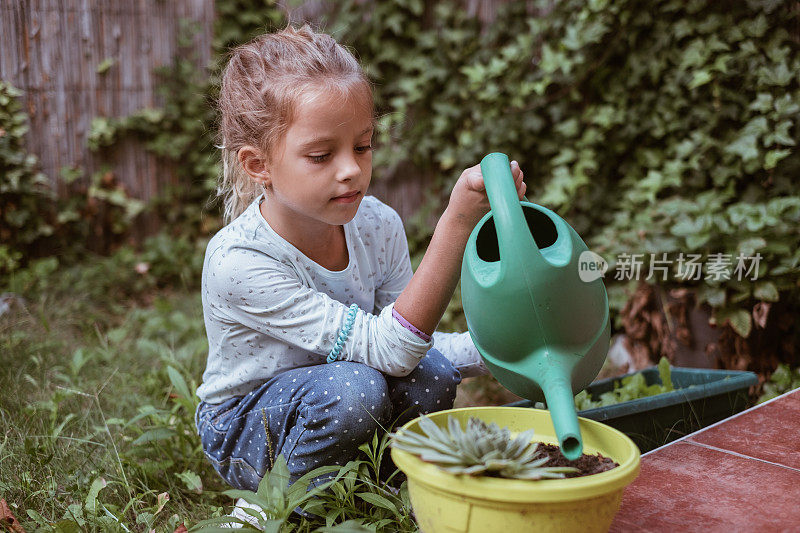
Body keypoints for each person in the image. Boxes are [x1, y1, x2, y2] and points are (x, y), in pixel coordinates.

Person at [194, 24, 527, 497]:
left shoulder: (376, 225)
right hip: (249, 429)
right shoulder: (239, 261)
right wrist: (456, 224)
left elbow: (410, 349)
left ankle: (382, 490)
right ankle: (278, 507)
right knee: (355, 389)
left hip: (345, 390)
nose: (351, 169)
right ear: (258, 165)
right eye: (321, 155)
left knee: (431, 373)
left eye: (362, 146)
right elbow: (389, 348)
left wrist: (507, 345)